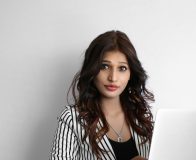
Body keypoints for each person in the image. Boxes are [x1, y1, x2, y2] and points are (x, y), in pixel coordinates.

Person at [50, 30, 154, 160]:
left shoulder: (142, 117)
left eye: (122, 68)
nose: (113, 77)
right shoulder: (72, 119)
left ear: (130, 74)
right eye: (104, 66)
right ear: (92, 69)